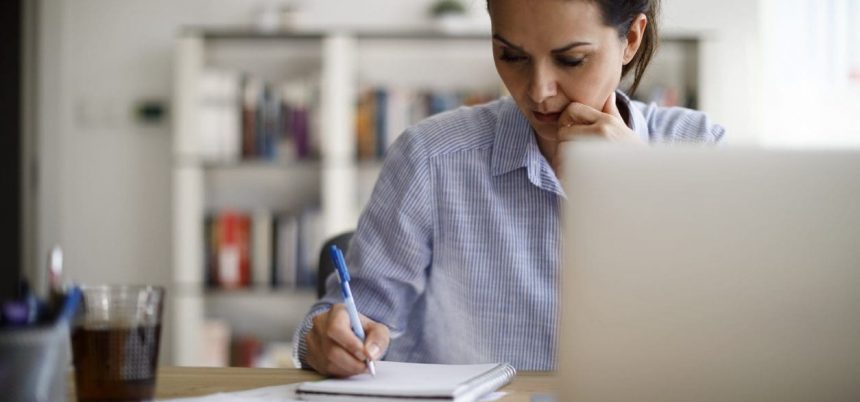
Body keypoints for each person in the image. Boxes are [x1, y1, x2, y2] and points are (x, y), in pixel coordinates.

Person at [293, 0, 725, 377]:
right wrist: (326, 342)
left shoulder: (701, 151)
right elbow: (351, 318)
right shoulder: (431, 157)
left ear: (631, 38)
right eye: (511, 56)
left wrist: (644, 192)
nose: (539, 91)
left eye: (571, 60)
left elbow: (731, 339)